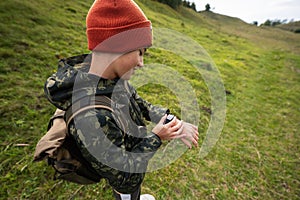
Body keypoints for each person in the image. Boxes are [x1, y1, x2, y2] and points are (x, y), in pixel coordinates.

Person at [44, 0, 199, 199]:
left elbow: (141, 105)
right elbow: (124, 179)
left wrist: (173, 122)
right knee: (127, 194)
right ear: (115, 47)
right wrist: (156, 138)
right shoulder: (91, 116)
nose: (142, 63)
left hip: (132, 149)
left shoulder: (111, 79)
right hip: (126, 176)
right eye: (140, 52)